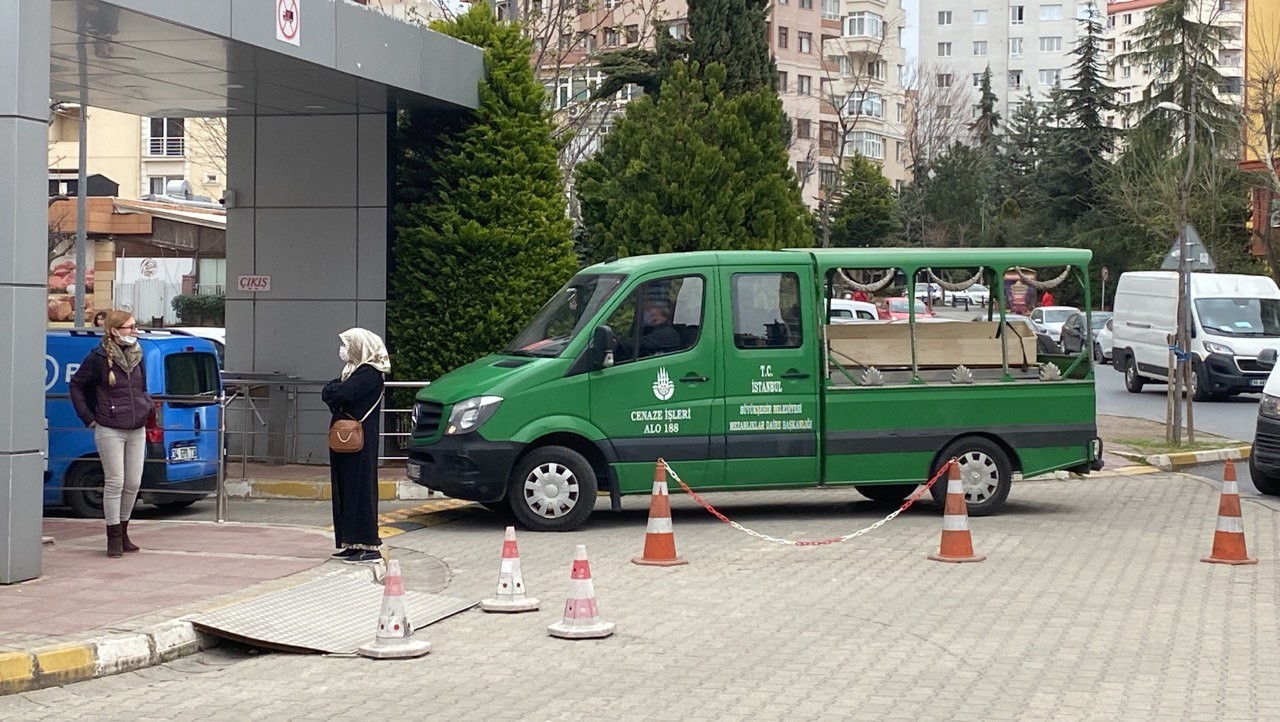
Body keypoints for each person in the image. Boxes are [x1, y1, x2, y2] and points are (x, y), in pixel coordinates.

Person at [69, 310, 150, 558]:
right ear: (115, 331)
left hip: (136, 426)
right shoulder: (98, 357)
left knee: (133, 482)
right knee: (115, 481)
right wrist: (89, 417)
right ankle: (113, 536)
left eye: (135, 326)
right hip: (110, 426)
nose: (135, 331)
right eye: (130, 327)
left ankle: (124, 530)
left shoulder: (138, 355)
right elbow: (76, 385)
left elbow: (142, 387)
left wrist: (146, 404)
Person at [322, 328, 389, 563]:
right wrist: (334, 391)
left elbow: (341, 395)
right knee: (346, 488)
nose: (344, 350)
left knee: (360, 488)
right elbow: (333, 392)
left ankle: (368, 544)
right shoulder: (354, 372)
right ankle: (350, 541)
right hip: (347, 442)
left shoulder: (369, 373)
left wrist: (333, 391)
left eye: (348, 345)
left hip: (360, 444)